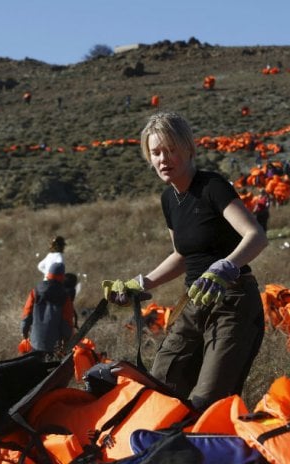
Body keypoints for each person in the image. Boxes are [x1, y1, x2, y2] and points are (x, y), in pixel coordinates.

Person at [101, 112, 268, 411]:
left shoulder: (212, 187)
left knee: (207, 402)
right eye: (156, 153)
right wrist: (140, 283)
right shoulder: (169, 199)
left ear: (189, 149)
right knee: (160, 389)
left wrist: (224, 267)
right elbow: (181, 254)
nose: (164, 159)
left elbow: (255, 235)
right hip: (194, 301)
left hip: (233, 301)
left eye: (171, 150)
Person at [21, 262, 75, 359]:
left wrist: (24, 330)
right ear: (62, 276)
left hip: (35, 341)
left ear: (49, 273)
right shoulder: (64, 295)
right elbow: (67, 321)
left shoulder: (36, 290)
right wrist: (66, 341)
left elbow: (27, 313)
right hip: (54, 344)